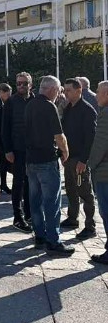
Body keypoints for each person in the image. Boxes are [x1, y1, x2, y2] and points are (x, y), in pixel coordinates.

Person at [24, 76, 74, 256]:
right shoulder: (49, 106)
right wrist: (65, 151)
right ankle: (53, 240)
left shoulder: (30, 104)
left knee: (35, 201)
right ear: (52, 89)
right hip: (46, 160)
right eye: (59, 90)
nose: (60, 93)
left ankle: (39, 236)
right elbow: (59, 135)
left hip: (31, 160)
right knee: (51, 203)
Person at [60, 78, 96, 238]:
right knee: (71, 189)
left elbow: (90, 138)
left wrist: (84, 160)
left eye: (69, 90)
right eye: (65, 90)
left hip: (80, 159)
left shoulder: (87, 110)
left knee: (85, 193)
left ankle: (90, 226)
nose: (65, 93)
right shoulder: (68, 108)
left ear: (78, 90)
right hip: (69, 158)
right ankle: (72, 218)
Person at [3, 72, 34, 232]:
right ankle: (18, 216)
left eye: (24, 83)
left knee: (31, 182)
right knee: (18, 183)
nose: (21, 86)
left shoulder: (35, 100)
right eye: (18, 83)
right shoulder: (11, 102)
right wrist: (8, 150)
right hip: (17, 149)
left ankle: (30, 214)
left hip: (33, 150)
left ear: (30, 84)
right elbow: (5, 128)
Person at [83, 80, 108, 264]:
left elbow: (100, 144)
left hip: (104, 173)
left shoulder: (105, 114)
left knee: (106, 212)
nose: (96, 95)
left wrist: (90, 164)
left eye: (98, 92)